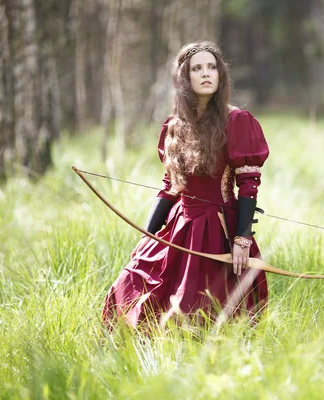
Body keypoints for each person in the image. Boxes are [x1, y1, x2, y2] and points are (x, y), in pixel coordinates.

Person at [102, 41, 269, 329]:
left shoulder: (237, 120)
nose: (206, 73)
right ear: (185, 78)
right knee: (131, 283)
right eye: (197, 68)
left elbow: (248, 184)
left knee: (199, 305)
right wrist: (147, 234)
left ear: (220, 75)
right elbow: (170, 186)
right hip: (179, 225)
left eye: (212, 67)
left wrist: (242, 241)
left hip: (219, 229)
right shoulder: (174, 125)